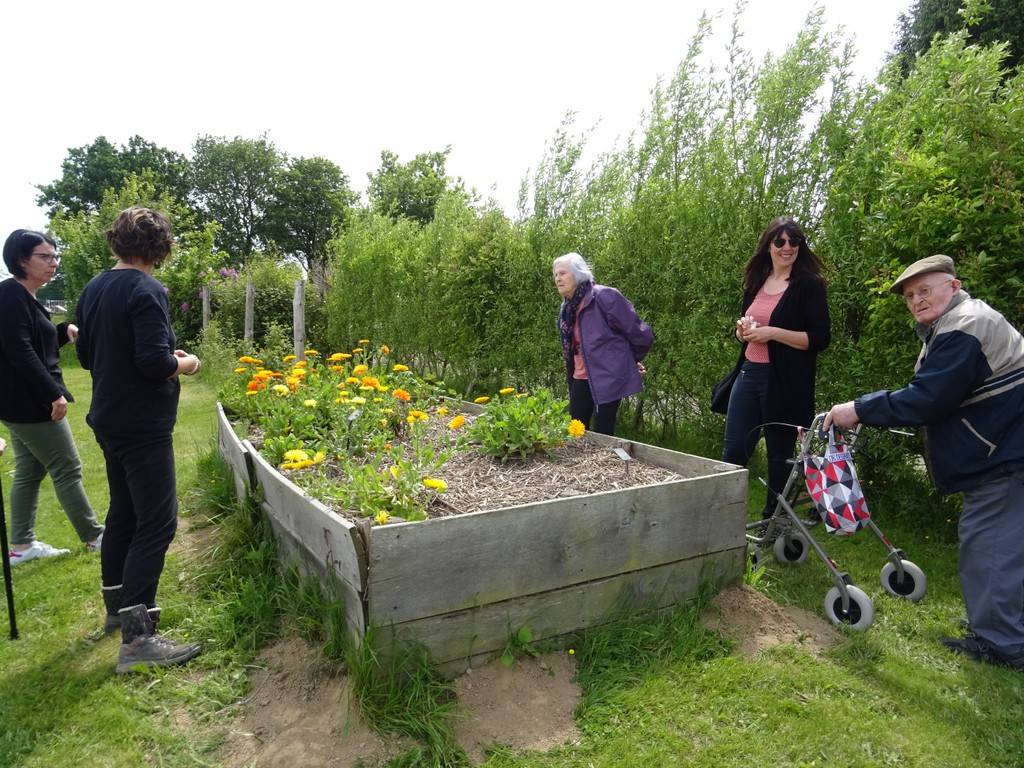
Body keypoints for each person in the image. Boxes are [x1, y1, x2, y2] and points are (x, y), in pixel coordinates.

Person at [825, 254, 1024, 670]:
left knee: (987, 546)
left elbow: (927, 398)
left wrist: (857, 409)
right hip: (1005, 447)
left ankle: (1001, 645)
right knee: (1002, 547)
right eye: (910, 296)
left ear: (953, 286)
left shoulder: (964, 326)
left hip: (1005, 454)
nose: (916, 300)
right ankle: (998, 626)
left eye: (925, 290)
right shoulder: (957, 323)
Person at [76, 207, 202, 674]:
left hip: (108, 417)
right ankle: (138, 640)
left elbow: (87, 355)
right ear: (158, 246)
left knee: (124, 514)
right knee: (158, 522)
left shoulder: (95, 287)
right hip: (141, 424)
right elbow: (153, 362)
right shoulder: (145, 289)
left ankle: (116, 608)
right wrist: (185, 364)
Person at [0, 230, 104, 566]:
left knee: (30, 470)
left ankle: (20, 545)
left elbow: (36, 347)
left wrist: (61, 332)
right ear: (20, 260)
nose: (54, 263)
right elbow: (19, 351)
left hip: (19, 401)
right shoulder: (10, 295)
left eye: (54, 256)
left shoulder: (27, 296)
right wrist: (53, 393)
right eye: (45, 256)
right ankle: (93, 536)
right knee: (66, 466)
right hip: (28, 402)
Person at [722, 217, 830, 517]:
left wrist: (773, 334)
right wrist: (742, 331)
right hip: (749, 373)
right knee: (734, 451)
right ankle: (723, 514)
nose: (787, 247)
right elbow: (743, 328)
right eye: (780, 241)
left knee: (779, 455)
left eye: (794, 241)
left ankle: (775, 521)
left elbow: (820, 338)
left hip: (784, 381)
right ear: (768, 245)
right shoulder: (757, 281)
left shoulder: (809, 285)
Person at [553, 252, 653, 436]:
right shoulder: (566, 308)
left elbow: (640, 334)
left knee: (603, 433)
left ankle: (605, 465)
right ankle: (581, 466)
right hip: (579, 377)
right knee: (576, 431)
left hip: (608, 377)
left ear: (578, 273)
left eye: (563, 273)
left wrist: (628, 361)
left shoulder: (604, 297)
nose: (558, 278)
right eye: (556, 275)